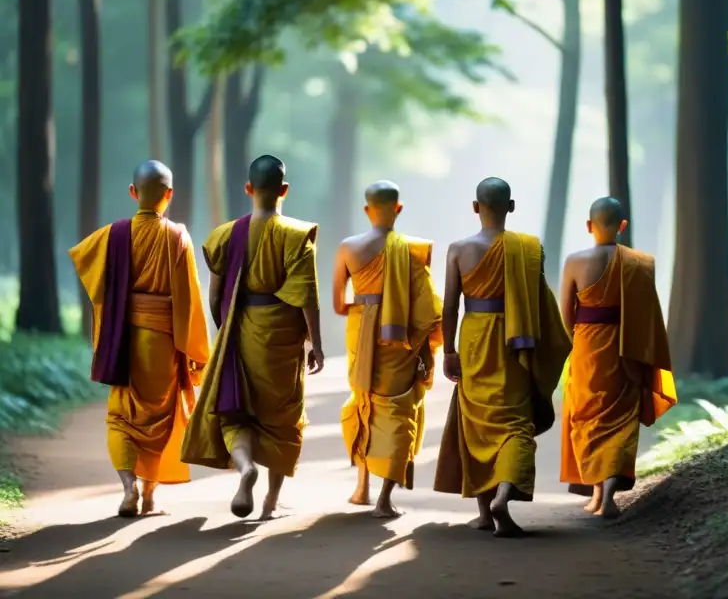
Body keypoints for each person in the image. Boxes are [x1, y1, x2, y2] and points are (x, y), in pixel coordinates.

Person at [180, 155, 324, 521]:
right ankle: (270, 504)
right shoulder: (296, 236)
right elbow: (307, 297)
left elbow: (214, 298)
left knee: (236, 413)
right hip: (282, 337)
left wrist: (225, 328)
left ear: (248, 188)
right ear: (284, 190)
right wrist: (316, 344)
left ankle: (245, 468)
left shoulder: (224, 235)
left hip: (241, 331)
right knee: (283, 419)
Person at [68, 160, 210, 517]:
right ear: (169, 194)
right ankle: (149, 496)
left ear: (133, 193)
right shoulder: (178, 236)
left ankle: (129, 485)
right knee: (160, 417)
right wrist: (193, 350)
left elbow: (83, 261)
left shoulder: (114, 235)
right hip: (162, 342)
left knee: (121, 416)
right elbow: (188, 298)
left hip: (124, 339)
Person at [433, 177, 571, 537]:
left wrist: (448, 349)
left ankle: (483, 511)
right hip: (515, 342)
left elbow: (450, 306)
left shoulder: (458, 249)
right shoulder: (529, 248)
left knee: (477, 421)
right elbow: (542, 305)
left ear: (475, 207)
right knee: (514, 423)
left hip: (476, 335)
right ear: (511, 207)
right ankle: (504, 494)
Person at [558, 196, 677, 519]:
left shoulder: (575, 261)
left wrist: (572, 348)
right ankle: (606, 494)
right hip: (626, 348)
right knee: (620, 421)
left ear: (588, 225)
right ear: (622, 226)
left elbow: (566, 316)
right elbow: (649, 316)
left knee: (587, 418)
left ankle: (597, 494)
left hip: (587, 347)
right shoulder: (639, 262)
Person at [334, 181, 443, 518]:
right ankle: (384, 499)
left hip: (362, 331)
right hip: (401, 339)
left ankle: (361, 488)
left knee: (365, 402)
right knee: (398, 410)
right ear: (398, 208)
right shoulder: (412, 250)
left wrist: (368, 305)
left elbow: (339, 304)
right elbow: (429, 309)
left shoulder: (348, 248)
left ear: (367, 210)